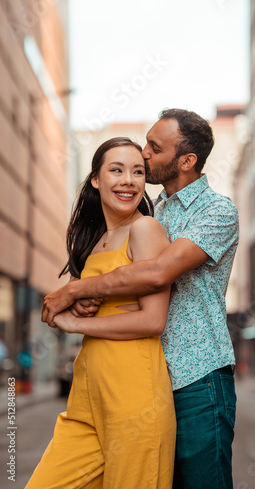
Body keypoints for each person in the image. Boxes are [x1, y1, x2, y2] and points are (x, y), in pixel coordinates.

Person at [42, 109, 239, 489]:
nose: (143, 154)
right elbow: (124, 270)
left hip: (198, 379)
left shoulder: (216, 211)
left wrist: (77, 290)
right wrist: (94, 293)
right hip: (147, 373)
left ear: (186, 161)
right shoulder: (154, 210)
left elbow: (155, 273)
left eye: (154, 147)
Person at [26, 137, 176, 489]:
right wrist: (80, 304)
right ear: (95, 178)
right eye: (117, 170)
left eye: (138, 171)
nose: (128, 180)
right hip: (86, 400)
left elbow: (153, 320)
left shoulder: (145, 228)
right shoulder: (95, 241)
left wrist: (76, 323)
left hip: (134, 400)